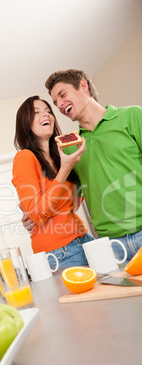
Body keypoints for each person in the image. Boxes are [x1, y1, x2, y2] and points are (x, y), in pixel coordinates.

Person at [23, 69, 142, 263]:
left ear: (83, 86)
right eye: (56, 103)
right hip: (110, 245)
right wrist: (31, 214)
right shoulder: (70, 148)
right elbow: (72, 199)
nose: (60, 105)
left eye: (62, 95)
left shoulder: (132, 116)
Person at [12, 95, 95, 270]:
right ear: (25, 123)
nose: (46, 115)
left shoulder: (61, 156)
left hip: (84, 239)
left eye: (49, 112)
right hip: (60, 253)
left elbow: (72, 205)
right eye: (37, 112)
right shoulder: (25, 157)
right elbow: (36, 215)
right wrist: (65, 170)